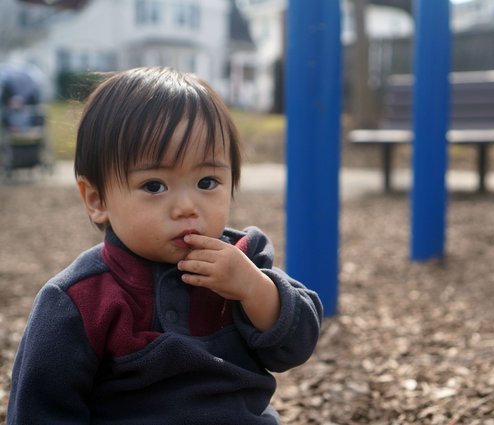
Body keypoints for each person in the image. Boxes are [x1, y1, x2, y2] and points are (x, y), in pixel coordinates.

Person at [7, 67, 323, 424]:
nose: (187, 207)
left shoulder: (244, 260)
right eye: (155, 186)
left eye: (207, 181)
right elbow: (41, 409)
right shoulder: (80, 300)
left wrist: (254, 288)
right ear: (97, 199)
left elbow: (295, 347)